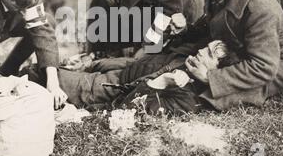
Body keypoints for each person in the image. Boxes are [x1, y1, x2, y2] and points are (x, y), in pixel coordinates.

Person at [22, 40, 237, 115]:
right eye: (206, 48)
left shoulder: (187, 97)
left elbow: (128, 109)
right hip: (117, 72)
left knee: (36, 73)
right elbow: (138, 65)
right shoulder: (183, 60)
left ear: (216, 72)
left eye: (209, 55)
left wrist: (161, 83)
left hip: (110, 87)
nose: (201, 52)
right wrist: (91, 63)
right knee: (53, 67)